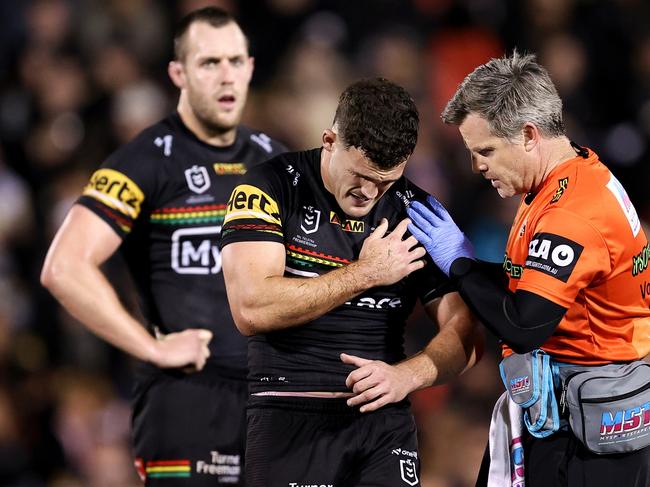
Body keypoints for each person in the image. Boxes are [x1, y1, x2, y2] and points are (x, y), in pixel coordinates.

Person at [41, 7, 286, 486]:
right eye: (208, 63)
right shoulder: (144, 160)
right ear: (178, 73)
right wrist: (151, 347)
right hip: (189, 403)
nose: (225, 76)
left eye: (235, 61)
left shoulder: (276, 160)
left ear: (252, 68)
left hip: (273, 404)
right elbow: (63, 267)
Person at [220, 77, 483, 486]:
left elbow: (466, 332)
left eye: (386, 180)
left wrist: (406, 376)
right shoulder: (267, 188)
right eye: (360, 175)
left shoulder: (418, 213)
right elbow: (251, 308)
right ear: (329, 140)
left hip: (384, 423)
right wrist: (366, 274)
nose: (369, 193)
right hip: (289, 415)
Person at [407, 51, 650, 487]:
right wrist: (452, 261)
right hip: (571, 418)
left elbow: (523, 326)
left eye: (485, 150)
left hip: (588, 444)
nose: (476, 166)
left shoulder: (571, 214)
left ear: (529, 134)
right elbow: (535, 289)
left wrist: (460, 263)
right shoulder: (568, 177)